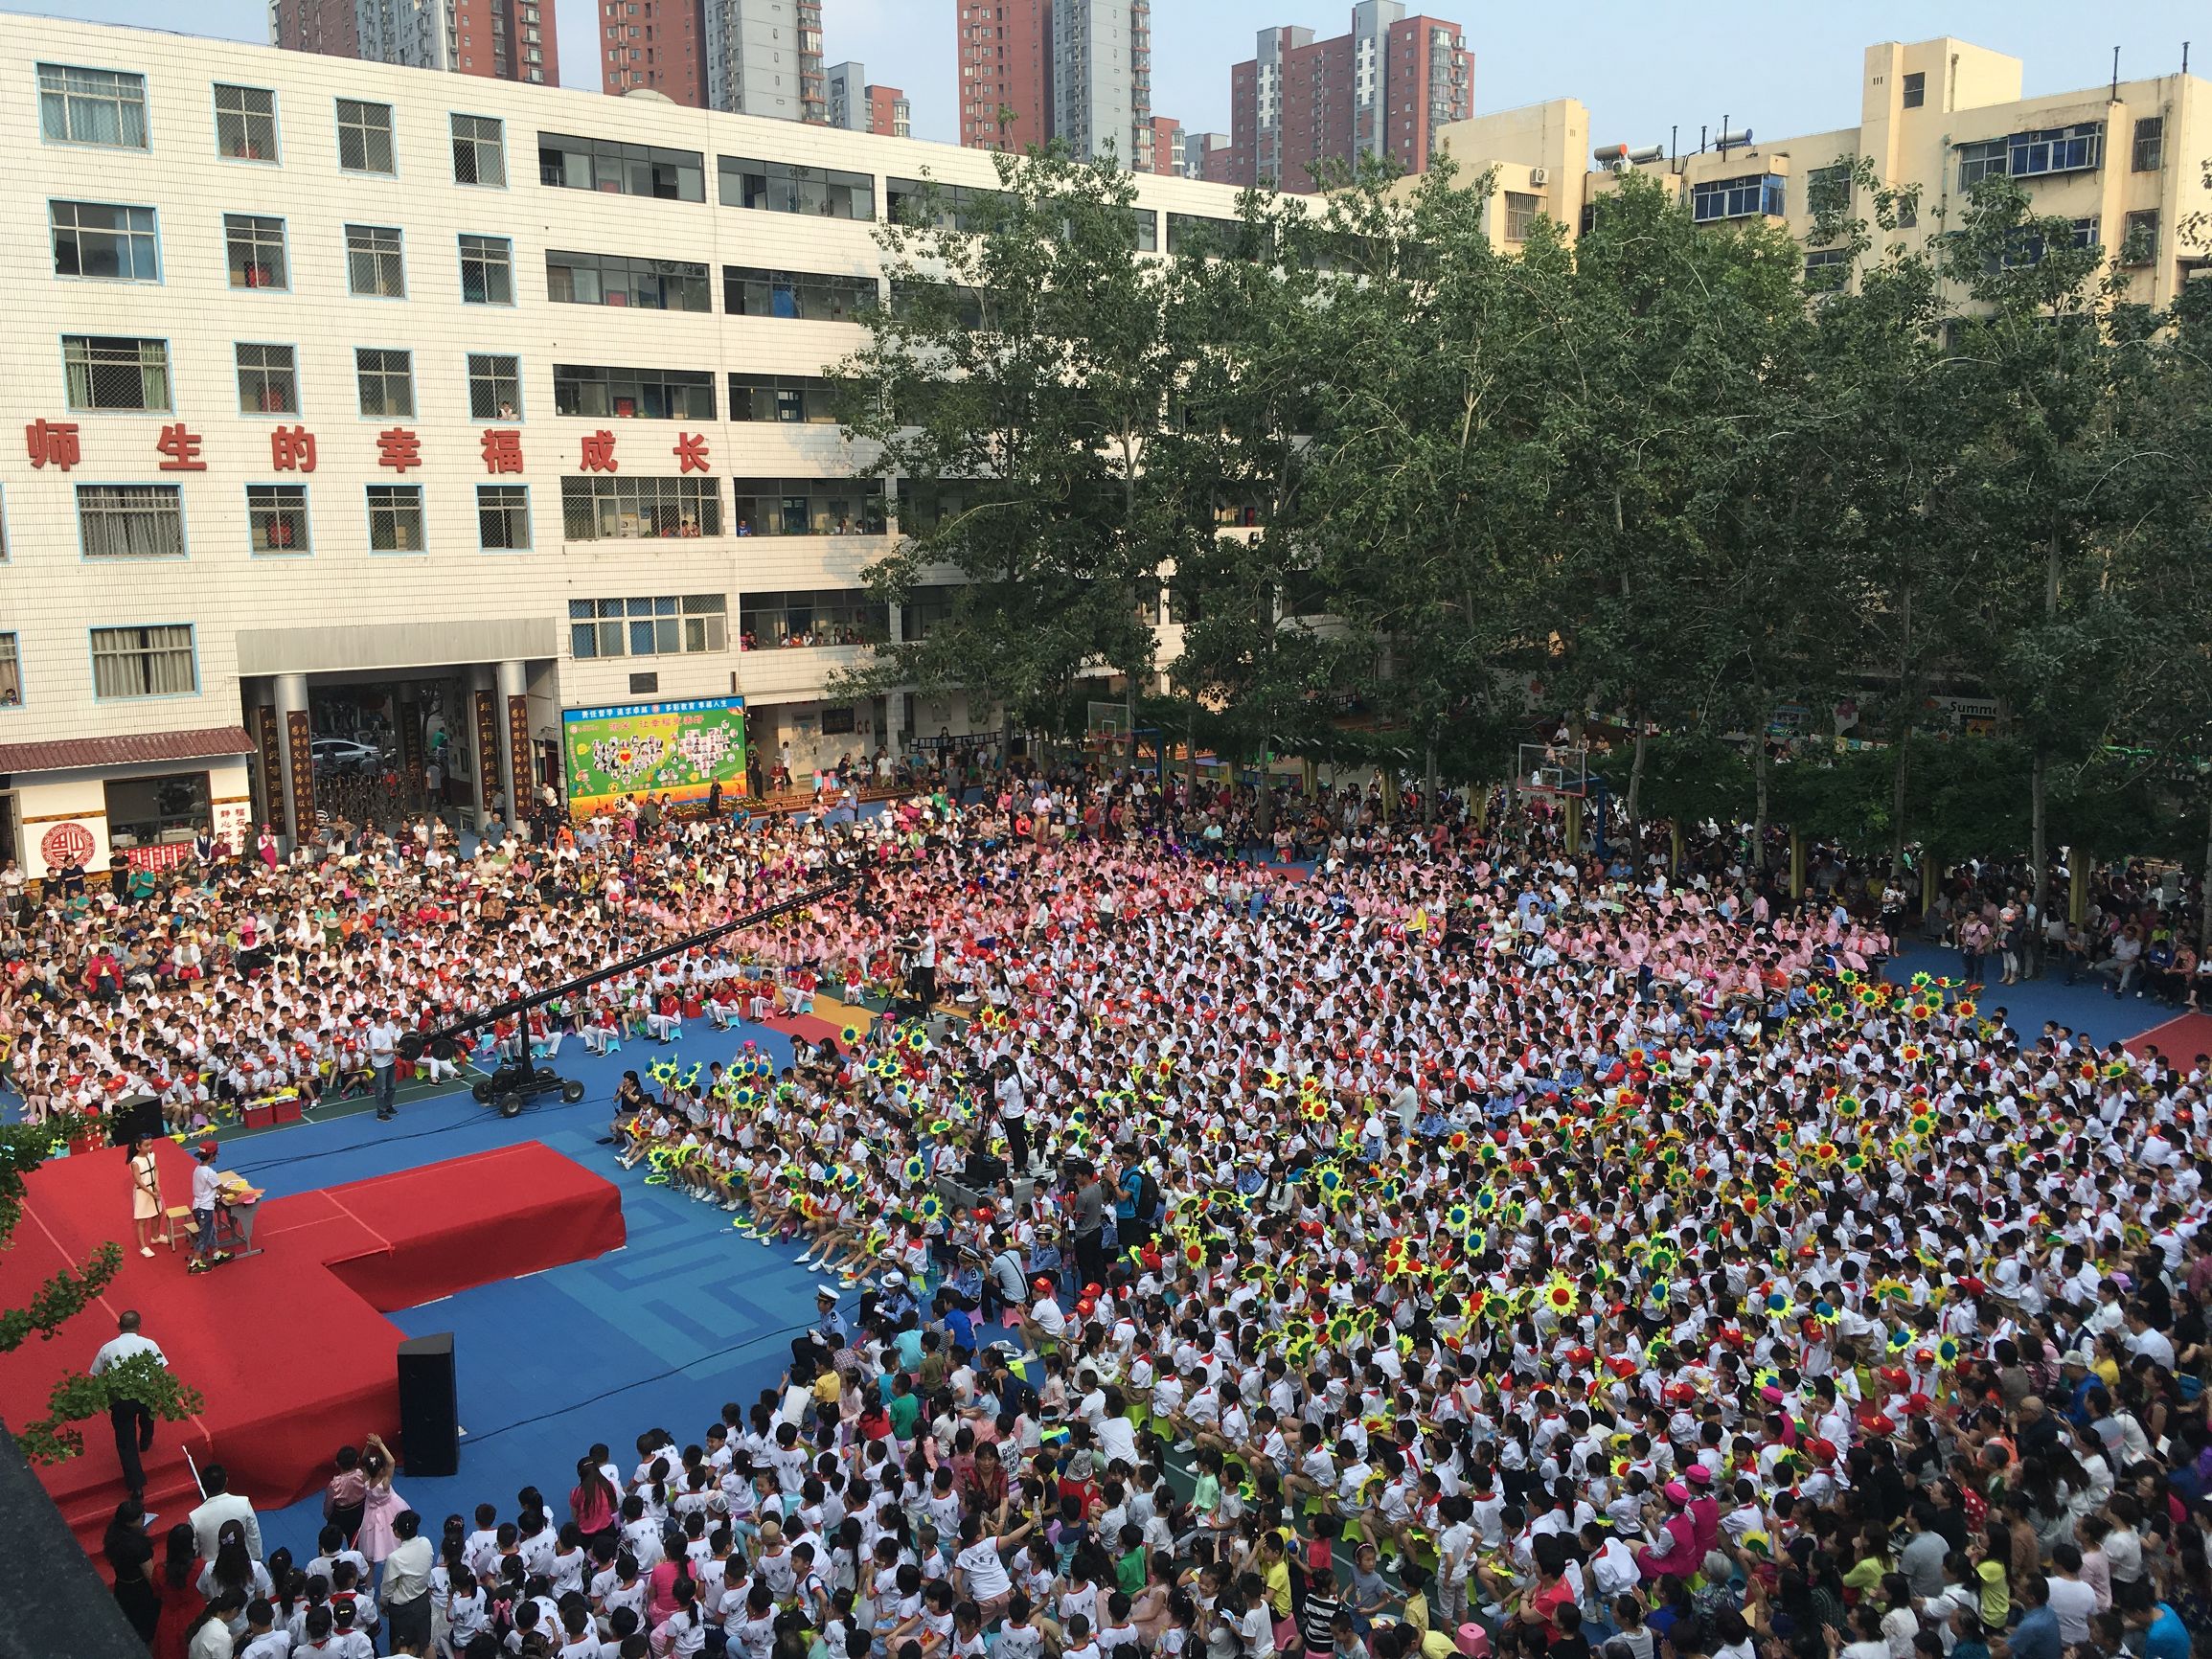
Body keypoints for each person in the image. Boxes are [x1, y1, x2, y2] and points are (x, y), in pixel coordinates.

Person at [91, 1308, 167, 1499]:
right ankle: (146, 1439)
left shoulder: (108, 1348)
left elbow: (96, 1374)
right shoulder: (149, 1344)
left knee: (125, 1441)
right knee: (147, 1417)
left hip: (121, 1397)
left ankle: (136, 1486)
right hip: (145, 1392)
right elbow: (160, 1370)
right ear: (139, 1326)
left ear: (119, 1326)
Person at [380, 1509, 434, 1655]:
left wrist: (384, 1603)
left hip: (403, 1610)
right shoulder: (426, 1543)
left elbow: (387, 1587)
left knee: (402, 1649)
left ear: (397, 1532)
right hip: (423, 1602)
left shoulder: (395, 1558)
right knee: (425, 1644)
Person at [188, 1464, 262, 1562]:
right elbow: (254, 1535)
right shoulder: (243, 1503)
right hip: (244, 1563)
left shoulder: (195, 1517)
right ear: (226, 1481)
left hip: (212, 1568)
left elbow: (194, 1549)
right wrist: (256, 1559)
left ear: (202, 1485)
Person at [354, 1432, 406, 1566]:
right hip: (390, 1511)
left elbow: (363, 1460)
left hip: (371, 1513)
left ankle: (370, 1578)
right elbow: (392, 1462)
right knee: (392, 1536)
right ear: (382, 1470)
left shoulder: (365, 1479)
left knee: (376, 1537)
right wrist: (380, 1444)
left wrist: (369, 1446)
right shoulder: (384, 1484)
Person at [129, 1132, 167, 1257]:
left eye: (151, 1144)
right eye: (146, 1145)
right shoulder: (135, 1162)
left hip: (153, 1190)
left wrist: (157, 1184)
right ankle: (143, 1246)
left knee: (157, 1213)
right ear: (138, 1147)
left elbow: (156, 1169)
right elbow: (138, 1181)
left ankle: (155, 1237)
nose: (149, 1147)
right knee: (142, 1220)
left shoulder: (151, 1155)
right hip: (143, 1193)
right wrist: (151, 1192)